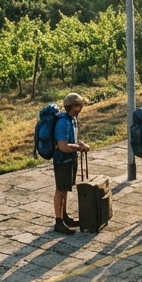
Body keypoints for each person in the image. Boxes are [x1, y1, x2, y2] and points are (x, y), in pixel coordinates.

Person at [52, 93, 90, 234]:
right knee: (60, 190)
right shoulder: (63, 122)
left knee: (66, 189)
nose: (80, 109)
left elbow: (71, 141)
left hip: (70, 159)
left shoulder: (72, 119)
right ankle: (58, 221)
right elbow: (63, 146)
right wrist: (79, 147)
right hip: (62, 160)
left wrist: (79, 145)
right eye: (78, 106)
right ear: (73, 107)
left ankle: (64, 216)